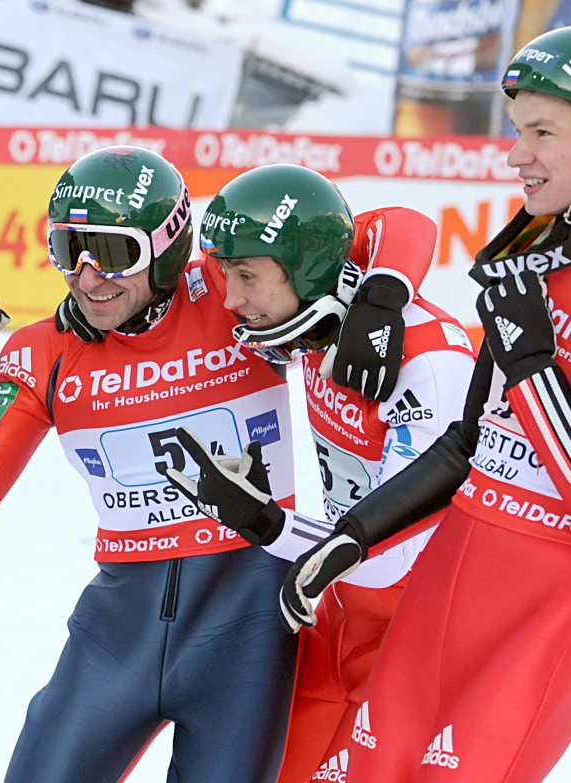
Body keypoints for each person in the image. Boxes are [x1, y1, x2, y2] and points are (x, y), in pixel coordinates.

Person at [280, 26, 571, 782]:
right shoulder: (534, 263)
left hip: (533, 629)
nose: (517, 155)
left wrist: (535, 368)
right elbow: (465, 446)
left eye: (542, 133)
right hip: (435, 609)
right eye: (520, 131)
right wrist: (353, 536)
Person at [0, 146, 433, 782]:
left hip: (246, 627)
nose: (87, 277)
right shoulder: (41, 353)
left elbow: (399, 224)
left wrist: (383, 296)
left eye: (112, 253)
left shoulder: (231, 291)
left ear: (166, 248)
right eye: (66, 250)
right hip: (117, 635)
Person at [156, 164, 472, 783]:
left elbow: (390, 553)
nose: (231, 300)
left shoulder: (428, 362)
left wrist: (264, 522)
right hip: (333, 609)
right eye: (226, 276)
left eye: (246, 277)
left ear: (305, 269)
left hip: (408, 631)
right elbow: (391, 228)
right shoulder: (317, 319)